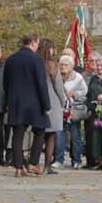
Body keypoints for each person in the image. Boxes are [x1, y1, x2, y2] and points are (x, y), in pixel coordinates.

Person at [2, 35, 51, 176]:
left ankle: (18, 167)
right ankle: (33, 163)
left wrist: (8, 101)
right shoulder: (37, 59)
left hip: (16, 102)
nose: (38, 45)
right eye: (38, 42)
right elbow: (42, 84)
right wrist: (46, 106)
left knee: (17, 134)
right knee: (40, 131)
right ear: (32, 42)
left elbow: (5, 83)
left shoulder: (11, 59)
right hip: (35, 103)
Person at [40, 41, 66, 173]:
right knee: (51, 136)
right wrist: (64, 102)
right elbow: (59, 87)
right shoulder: (52, 64)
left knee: (38, 134)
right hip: (52, 102)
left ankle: (33, 162)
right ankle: (47, 166)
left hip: (38, 102)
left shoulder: (36, 63)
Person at [60, 53, 87, 168]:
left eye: (66, 65)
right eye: (61, 65)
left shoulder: (77, 77)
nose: (63, 67)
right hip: (60, 110)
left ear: (71, 66)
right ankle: (58, 159)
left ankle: (76, 160)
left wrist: (74, 94)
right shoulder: (56, 76)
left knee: (75, 136)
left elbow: (85, 92)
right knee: (59, 136)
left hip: (74, 111)